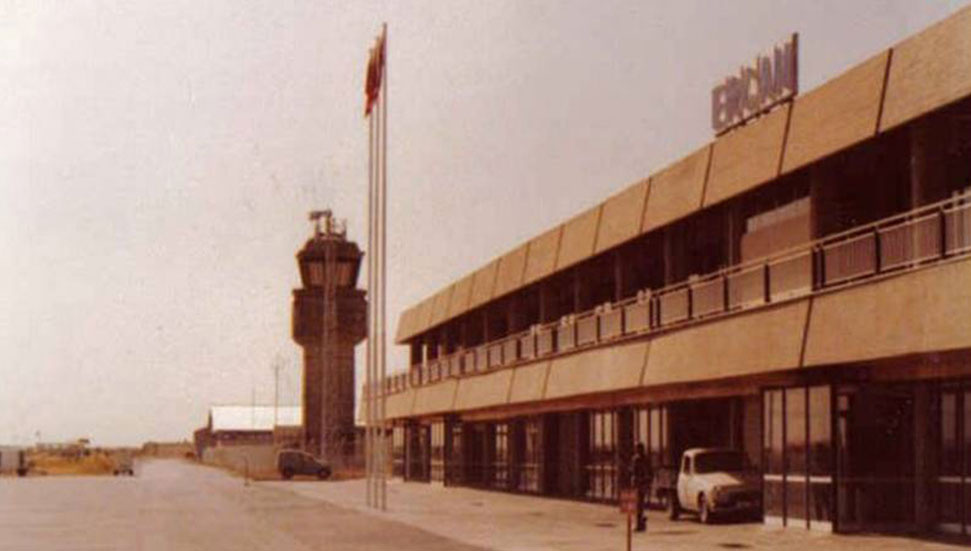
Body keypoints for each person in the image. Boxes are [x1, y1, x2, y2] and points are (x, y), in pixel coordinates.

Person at [630, 443, 651, 532]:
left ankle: (639, 523)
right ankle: (641, 522)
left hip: (639, 483)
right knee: (640, 504)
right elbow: (650, 471)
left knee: (638, 504)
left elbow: (634, 471)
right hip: (643, 483)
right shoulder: (646, 459)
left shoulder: (636, 459)